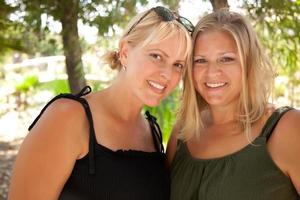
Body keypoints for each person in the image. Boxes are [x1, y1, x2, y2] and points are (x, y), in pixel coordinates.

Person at [8, 6, 194, 200]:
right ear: (124, 52)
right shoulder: (67, 117)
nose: (167, 74)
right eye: (156, 56)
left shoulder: (152, 132)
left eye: (178, 65)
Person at [167, 9, 300, 200]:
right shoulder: (183, 132)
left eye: (226, 59)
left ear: (248, 62)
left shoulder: (287, 128)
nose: (212, 72)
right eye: (200, 60)